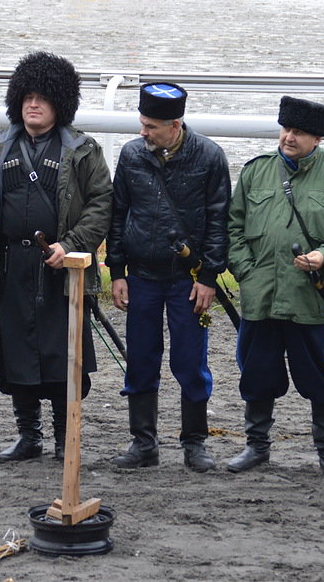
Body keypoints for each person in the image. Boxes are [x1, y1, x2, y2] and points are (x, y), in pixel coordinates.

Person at [0, 51, 112, 462]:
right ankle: (29, 436)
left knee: (64, 358)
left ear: (60, 103)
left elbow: (101, 205)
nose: (33, 104)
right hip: (10, 268)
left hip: (61, 271)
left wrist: (72, 244)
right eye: (27, 96)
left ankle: (66, 441)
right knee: (16, 356)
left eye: (43, 97)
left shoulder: (83, 150)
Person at [226, 96, 324, 477]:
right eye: (286, 129)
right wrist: (246, 271)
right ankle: (256, 446)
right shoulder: (256, 171)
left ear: (317, 138)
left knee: (320, 375)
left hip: (312, 297)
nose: (289, 137)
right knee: (256, 374)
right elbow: (233, 226)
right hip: (261, 297)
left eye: (299, 132)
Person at [105, 82, 230, 472]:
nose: (143, 133)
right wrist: (118, 271)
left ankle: (195, 443)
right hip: (141, 276)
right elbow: (117, 214)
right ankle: (144, 443)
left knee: (190, 362)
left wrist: (208, 276)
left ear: (175, 125)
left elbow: (219, 220)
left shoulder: (210, 157)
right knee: (140, 359)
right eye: (142, 124)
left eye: (151, 127)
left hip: (187, 280)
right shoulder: (130, 155)